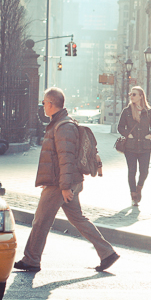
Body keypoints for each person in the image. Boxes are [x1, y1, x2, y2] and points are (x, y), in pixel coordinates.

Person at [14, 87, 119, 273]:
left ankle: (31, 260)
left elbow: (66, 158)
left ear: (51, 104)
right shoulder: (60, 123)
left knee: (40, 221)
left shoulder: (63, 126)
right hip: (65, 182)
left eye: (44, 103)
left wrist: (65, 186)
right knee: (77, 219)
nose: (43, 106)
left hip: (59, 183)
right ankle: (107, 253)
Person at [118, 86, 151, 206]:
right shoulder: (127, 111)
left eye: (134, 94)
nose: (132, 96)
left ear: (141, 96)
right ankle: (133, 194)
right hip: (130, 147)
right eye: (131, 94)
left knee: (144, 171)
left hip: (145, 147)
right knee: (132, 171)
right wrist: (127, 135)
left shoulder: (149, 112)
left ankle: (139, 187)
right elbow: (120, 127)